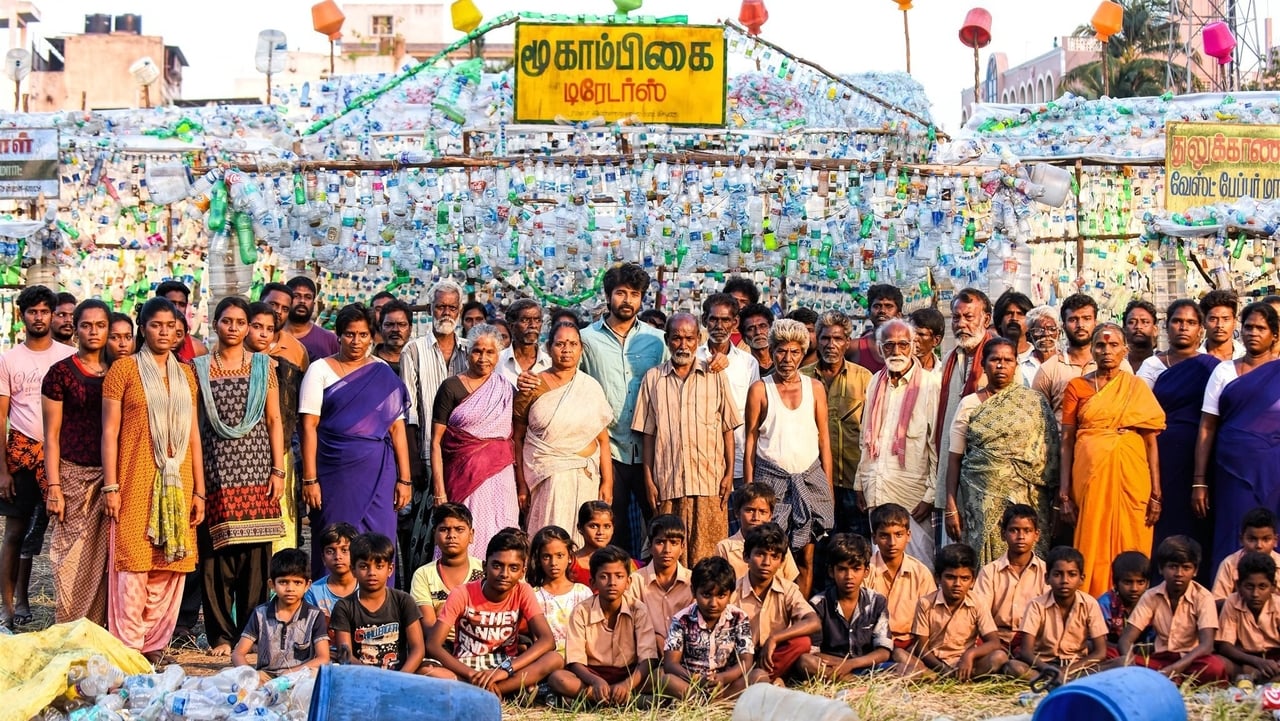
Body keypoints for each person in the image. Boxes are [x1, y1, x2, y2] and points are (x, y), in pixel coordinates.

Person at [101, 297, 204, 664]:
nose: (164, 332)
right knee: (133, 563)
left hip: (179, 482)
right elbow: (109, 433)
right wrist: (110, 486)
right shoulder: (124, 371)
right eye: (156, 325)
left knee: (168, 567)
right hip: (133, 479)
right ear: (142, 328)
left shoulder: (187, 375)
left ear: (180, 331)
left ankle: (155, 646)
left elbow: (194, 435)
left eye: (171, 326)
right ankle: (128, 648)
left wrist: (200, 492)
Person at [193, 297, 287, 656]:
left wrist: (278, 469)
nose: (233, 328)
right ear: (215, 324)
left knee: (256, 559)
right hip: (217, 472)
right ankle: (220, 636)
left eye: (240, 322)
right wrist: (199, 484)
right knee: (215, 558)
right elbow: (197, 426)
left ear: (249, 327)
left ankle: (249, 633)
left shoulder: (264, 366)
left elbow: (274, 420)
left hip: (258, 469)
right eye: (227, 321)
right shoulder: (198, 368)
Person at [300, 304, 412, 580]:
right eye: (350, 334)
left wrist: (405, 479)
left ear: (372, 337)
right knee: (333, 537)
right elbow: (308, 425)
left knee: (379, 541)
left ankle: (379, 613)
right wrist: (310, 479)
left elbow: (397, 429)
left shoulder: (382, 371)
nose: (356, 341)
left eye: (363, 335)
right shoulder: (320, 370)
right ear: (338, 335)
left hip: (378, 471)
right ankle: (328, 609)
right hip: (334, 471)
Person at [1059, 323, 1166, 597]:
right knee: (1091, 539)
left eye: (1114, 345)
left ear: (1125, 350)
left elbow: (1151, 442)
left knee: (1133, 540)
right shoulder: (1077, 387)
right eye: (1101, 345)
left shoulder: (1136, 387)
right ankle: (1091, 605)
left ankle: (1134, 609)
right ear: (1092, 350)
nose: (1107, 351)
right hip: (1090, 477)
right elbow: (1067, 441)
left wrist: (1156, 493)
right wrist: (1064, 494)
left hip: (1132, 478)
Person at [633, 313, 741, 565]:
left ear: (698, 340)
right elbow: (648, 434)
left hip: (709, 483)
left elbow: (728, 428)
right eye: (677, 338)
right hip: (668, 483)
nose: (683, 345)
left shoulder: (715, 375)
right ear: (667, 340)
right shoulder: (653, 378)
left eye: (689, 338)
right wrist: (648, 479)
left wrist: (727, 475)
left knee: (709, 558)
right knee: (670, 559)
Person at [580, 263, 668, 559]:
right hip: (609, 449)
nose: (628, 300)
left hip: (650, 449)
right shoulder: (586, 339)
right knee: (608, 527)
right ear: (608, 296)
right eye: (621, 293)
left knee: (657, 524)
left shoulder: (657, 339)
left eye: (634, 294)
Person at [944, 338, 1058, 563]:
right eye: (995, 359)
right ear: (984, 364)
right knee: (985, 562)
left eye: (1008, 360)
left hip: (1029, 499)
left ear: (1016, 364)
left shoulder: (1034, 402)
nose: (1001, 365)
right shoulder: (969, 404)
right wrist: (951, 506)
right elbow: (955, 458)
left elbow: (1050, 454)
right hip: (982, 498)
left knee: (1029, 558)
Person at [0, 285, 75, 629]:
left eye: (45, 311)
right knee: (14, 533)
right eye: (33, 312)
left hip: (60, 455)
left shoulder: (66, 356)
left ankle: (70, 610)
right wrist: (2, 470)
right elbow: (1, 416)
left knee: (63, 533)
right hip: (21, 454)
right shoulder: (9, 358)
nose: (39, 317)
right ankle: (10, 606)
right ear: (23, 317)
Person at [744, 318, 833, 597]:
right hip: (772, 483)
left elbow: (824, 440)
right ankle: (773, 613)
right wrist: (750, 491)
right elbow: (751, 439)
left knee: (807, 557)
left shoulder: (815, 388)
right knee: (773, 556)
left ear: (803, 352)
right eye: (781, 351)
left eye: (795, 352)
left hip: (809, 479)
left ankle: (800, 617)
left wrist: (827, 487)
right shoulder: (761, 389)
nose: (787, 358)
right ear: (771, 351)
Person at [426, 528, 564, 696]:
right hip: (467, 665)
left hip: (506, 665)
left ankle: (492, 690)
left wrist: (505, 670)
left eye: (513, 568)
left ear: (523, 571)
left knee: (554, 659)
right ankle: (502, 690)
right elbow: (433, 644)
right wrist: (471, 674)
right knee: (426, 670)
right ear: (485, 566)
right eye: (497, 566)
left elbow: (547, 640)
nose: (504, 574)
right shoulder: (462, 593)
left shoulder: (523, 591)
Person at [42, 299, 112, 625]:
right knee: (68, 556)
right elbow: (51, 435)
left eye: (100, 325)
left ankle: (98, 630)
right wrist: (53, 485)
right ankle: (69, 625)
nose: (93, 331)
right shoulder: (60, 374)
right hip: (71, 474)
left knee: (105, 558)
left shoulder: (119, 371)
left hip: (111, 477)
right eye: (86, 325)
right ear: (76, 328)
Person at [1194, 302, 1280, 570]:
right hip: (1231, 469)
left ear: (1274, 335)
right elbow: (1207, 426)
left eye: (1261, 328)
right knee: (1233, 529)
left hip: (1274, 469)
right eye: (1249, 327)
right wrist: (1199, 481)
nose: (1253, 332)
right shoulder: (1224, 371)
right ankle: (1226, 600)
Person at [514, 322, 613, 549]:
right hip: (548, 477)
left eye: (573, 344)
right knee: (550, 541)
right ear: (548, 348)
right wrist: (521, 483)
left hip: (586, 477)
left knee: (585, 541)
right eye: (560, 344)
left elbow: (603, 440)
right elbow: (518, 438)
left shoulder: (590, 387)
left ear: (581, 349)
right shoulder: (532, 384)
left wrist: (607, 481)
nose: (566, 350)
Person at [400, 280, 469, 578]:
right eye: (440, 306)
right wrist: (414, 459)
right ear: (430, 309)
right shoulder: (413, 350)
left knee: (459, 529)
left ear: (460, 310)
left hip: (464, 455)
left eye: (452, 307)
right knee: (424, 532)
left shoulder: (470, 350)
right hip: (428, 454)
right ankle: (419, 591)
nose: (446, 312)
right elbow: (408, 409)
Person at [432, 325, 518, 559]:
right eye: (477, 351)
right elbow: (436, 442)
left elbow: (514, 435)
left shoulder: (505, 389)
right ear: (468, 353)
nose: (483, 358)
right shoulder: (451, 387)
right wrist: (439, 490)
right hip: (462, 476)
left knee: (501, 529)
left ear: (498, 355)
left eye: (490, 352)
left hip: (500, 477)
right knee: (461, 531)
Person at [858, 319, 940, 562]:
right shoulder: (875, 381)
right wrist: (859, 483)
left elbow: (935, 443)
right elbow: (866, 436)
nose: (896, 351)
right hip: (877, 487)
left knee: (919, 565)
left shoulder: (930, 385)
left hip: (913, 495)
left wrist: (930, 495)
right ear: (880, 348)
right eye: (889, 345)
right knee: (880, 562)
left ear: (913, 346)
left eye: (903, 345)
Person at [1145, 300, 1216, 576]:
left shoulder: (1212, 367)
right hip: (1159, 453)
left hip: (1198, 454)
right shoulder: (1153, 365)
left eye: (1190, 322)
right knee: (1163, 518)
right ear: (1166, 326)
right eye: (1177, 321)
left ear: (1200, 329)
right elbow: (1139, 407)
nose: (1183, 327)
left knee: (1196, 517)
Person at [548, 545, 659, 706]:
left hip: (629, 675)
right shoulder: (581, 611)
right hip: (592, 675)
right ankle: (630, 701)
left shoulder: (638, 609)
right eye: (604, 576)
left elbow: (648, 659)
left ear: (628, 582)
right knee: (558, 678)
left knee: (664, 678)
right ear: (593, 583)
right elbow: (575, 661)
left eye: (619, 576)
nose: (612, 583)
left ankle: (598, 700)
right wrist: (596, 681)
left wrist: (627, 685)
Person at [1118, 535, 1227, 682]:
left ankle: (1163, 679)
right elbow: (1126, 639)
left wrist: (1174, 669)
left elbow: (1207, 645)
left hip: (1190, 661)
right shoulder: (1151, 596)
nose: (1179, 574)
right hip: (1159, 660)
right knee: (1115, 658)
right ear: (1161, 569)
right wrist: (1130, 665)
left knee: (1215, 667)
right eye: (1173, 567)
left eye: (1186, 567)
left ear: (1195, 571)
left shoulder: (1203, 597)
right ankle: (1158, 679)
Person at [802, 311, 871, 537]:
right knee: (818, 547)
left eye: (837, 339)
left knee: (854, 544)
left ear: (847, 342)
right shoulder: (802, 378)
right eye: (825, 338)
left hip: (853, 481)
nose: (831, 344)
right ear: (817, 340)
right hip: (814, 480)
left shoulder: (864, 378)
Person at [935, 289, 994, 548]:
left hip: (988, 478)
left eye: (969, 317)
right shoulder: (950, 358)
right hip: (953, 474)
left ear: (986, 319)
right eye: (956, 318)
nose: (962, 324)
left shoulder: (999, 359)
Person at [659, 556, 765, 700]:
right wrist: (696, 680)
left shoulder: (739, 618)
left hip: (726, 686)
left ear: (730, 594)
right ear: (693, 591)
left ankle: (711, 702)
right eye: (706, 595)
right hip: (692, 685)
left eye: (721, 595)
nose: (713, 603)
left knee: (759, 676)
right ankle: (710, 702)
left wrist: (722, 678)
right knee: (666, 681)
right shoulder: (682, 619)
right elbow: (670, 664)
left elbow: (746, 661)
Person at [794, 533, 893, 681]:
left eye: (856, 569)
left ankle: (854, 680)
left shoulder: (876, 601)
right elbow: (813, 652)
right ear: (831, 572)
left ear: (866, 571)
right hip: (833, 667)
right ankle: (854, 682)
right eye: (842, 569)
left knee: (908, 669)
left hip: (867, 666)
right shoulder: (819, 604)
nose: (849, 576)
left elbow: (883, 651)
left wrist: (852, 664)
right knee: (805, 662)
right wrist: (842, 665)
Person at [256, 284, 309, 556]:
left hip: (286, 447)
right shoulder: (236, 349)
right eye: (272, 304)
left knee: (284, 522)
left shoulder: (296, 351)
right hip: (244, 454)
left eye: (284, 308)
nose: (277, 312)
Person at [700, 294, 760, 532]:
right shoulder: (692, 358)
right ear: (704, 320)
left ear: (735, 323)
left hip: (738, 462)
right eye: (713, 320)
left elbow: (754, 416)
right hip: (703, 462)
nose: (719, 326)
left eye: (726, 320)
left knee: (741, 532)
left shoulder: (747, 363)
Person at [731, 523, 820, 681]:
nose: (767, 562)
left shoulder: (787, 589)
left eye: (774, 557)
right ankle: (763, 682)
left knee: (802, 643)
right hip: (741, 660)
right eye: (760, 554)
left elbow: (813, 622)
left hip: (774, 657)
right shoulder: (733, 592)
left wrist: (775, 638)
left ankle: (766, 681)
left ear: (781, 561)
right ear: (746, 556)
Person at [905, 543, 1007, 680]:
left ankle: (960, 677)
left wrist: (969, 655)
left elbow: (994, 642)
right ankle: (940, 678)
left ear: (973, 581)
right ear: (938, 578)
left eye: (965, 578)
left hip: (966, 665)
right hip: (933, 664)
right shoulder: (925, 603)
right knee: (902, 656)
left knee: (999, 657)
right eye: (950, 577)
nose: (957, 584)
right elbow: (922, 649)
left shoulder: (977, 602)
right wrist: (944, 670)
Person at [971, 505, 1048, 676]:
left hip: (1032, 643)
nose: (1021, 536)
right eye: (1014, 530)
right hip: (997, 640)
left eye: (1027, 530)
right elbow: (979, 614)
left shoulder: (1046, 573)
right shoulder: (990, 572)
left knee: (1020, 665)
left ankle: (1030, 673)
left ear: (1036, 534)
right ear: (1003, 534)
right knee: (995, 658)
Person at [330, 533, 424, 672]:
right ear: (353, 570)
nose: (371, 572)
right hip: (360, 677)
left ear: (390, 569)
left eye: (379, 566)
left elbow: (418, 649)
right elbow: (346, 655)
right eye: (364, 566)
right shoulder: (344, 606)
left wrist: (401, 678)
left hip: (400, 677)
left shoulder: (403, 601)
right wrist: (376, 678)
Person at [231, 548, 330, 681]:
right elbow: (238, 654)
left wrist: (291, 673)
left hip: (300, 677)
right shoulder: (261, 613)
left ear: (307, 585)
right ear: (272, 584)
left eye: (297, 582)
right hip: (266, 676)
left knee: (315, 677)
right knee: (228, 676)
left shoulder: (314, 615)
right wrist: (251, 677)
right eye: (283, 582)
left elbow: (323, 658)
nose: (290, 588)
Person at [1034, 293, 1132, 423]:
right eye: (1073, 319)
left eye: (1086, 318)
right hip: (1063, 440)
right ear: (1063, 326)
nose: (1080, 325)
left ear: (1096, 323)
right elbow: (1037, 416)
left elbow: (1131, 409)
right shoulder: (1049, 369)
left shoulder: (1120, 365)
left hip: (1109, 440)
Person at [1016, 545, 1107, 681]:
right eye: (1057, 574)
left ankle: (1061, 681)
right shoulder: (1036, 605)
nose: (1065, 581)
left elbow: (1100, 652)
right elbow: (1026, 652)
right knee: (1013, 667)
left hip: (1077, 666)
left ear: (1081, 579)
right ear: (1047, 578)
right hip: (1044, 666)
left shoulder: (1090, 604)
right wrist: (1050, 670)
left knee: (1122, 663)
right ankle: (1057, 680)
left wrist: (1066, 670)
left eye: (1072, 574)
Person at [410, 502, 483, 671]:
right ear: (434, 536)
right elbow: (429, 627)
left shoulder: (485, 570)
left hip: (484, 644)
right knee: (427, 671)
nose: (451, 535)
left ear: (471, 535)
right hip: (443, 648)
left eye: (459, 529)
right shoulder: (423, 574)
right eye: (444, 530)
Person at [868, 503, 937, 664]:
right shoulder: (867, 571)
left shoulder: (921, 573)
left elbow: (931, 618)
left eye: (898, 534)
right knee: (897, 656)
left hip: (914, 643)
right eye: (884, 536)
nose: (892, 542)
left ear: (908, 535)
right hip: (876, 643)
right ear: (874, 538)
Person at [624, 514, 693, 646]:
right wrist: (653, 638)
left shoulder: (692, 581)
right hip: (646, 654)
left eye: (674, 543)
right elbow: (629, 625)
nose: (667, 550)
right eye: (660, 542)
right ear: (649, 546)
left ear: (682, 547)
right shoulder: (635, 581)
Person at [527, 525, 593, 657]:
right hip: (545, 661)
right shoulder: (533, 595)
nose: (553, 563)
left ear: (569, 556)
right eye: (546, 557)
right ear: (539, 560)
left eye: (559, 555)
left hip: (580, 658)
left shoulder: (583, 593)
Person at [1214, 551, 1280, 681]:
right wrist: (1257, 662)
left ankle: (1255, 678)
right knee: (1218, 664)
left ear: (1272, 587)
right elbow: (1225, 646)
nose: (1255, 594)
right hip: (1245, 659)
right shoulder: (1232, 601)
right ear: (1238, 586)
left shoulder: (1278, 604)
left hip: (1275, 661)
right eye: (1249, 586)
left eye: (1263, 587)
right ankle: (1258, 677)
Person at [715, 483, 801, 581]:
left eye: (762, 512)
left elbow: (791, 581)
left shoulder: (778, 545)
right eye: (750, 511)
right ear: (737, 513)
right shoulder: (725, 548)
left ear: (770, 515)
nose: (756, 518)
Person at [1211, 508, 1280, 601]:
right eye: (1252, 539)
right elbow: (1217, 600)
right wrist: (1244, 603)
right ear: (1241, 540)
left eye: (1266, 539)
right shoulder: (1230, 564)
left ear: (1275, 541)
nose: (1259, 546)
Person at [303, 522, 358, 633]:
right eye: (330, 551)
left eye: (344, 550)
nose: (337, 557)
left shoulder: (368, 588)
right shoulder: (313, 592)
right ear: (323, 558)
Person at [1098, 551, 1153, 655]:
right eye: (1127, 582)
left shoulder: (1153, 602)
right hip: (1114, 653)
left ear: (1148, 583)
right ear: (1115, 583)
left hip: (1144, 654)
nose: (1134, 588)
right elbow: (1098, 641)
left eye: (1140, 582)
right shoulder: (1104, 604)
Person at [848, 284, 902, 374]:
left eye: (888, 306)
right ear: (869, 313)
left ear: (899, 315)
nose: (882, 311)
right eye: (877, 306)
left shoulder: (908, 348)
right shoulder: (854, 347)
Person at [285, 276, 339, 363]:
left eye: (308, 297)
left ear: (313, 304)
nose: (302, 301)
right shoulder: (273, 336)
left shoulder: (330, 340)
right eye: (296, 296)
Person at [498, 299, 550, 385]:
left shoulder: (549, 362)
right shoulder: (497, 362)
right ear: (511, 326)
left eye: (537, 320)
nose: (533, 325)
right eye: (525, 320)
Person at [156, 280, 208, 361]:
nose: (176, 308)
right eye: (172, 303)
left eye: (182, 304)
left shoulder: (197, 348)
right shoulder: (141, 344)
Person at [993, 290, 1034, 384]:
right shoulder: (990, 357)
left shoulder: (1039, 358)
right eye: (1009, 313)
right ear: (999, 322)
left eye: (1020, 314)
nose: (1014, 318)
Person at [1200, 289, 1244, 361]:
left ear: (1234, 322)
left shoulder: (1248, 358)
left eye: (1226, 319)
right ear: (1204, 322)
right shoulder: (1192, 361)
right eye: (1213, 319)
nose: (1219, 325)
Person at [1023, 306, 1061, 388]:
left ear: (1059, 333)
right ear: (1029, 336)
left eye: (1052, 329)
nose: (1046, 334)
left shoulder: (1068, 363)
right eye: (1038, 330)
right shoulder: (1021, 367)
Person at [373, 300, 412, 372]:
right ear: (380, 328)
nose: (395, 329)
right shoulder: (368, 362)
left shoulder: (420, 361)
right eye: (389, 325)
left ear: (410, 329)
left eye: (401, 324)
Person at [738, 303, 775, 377]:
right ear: (744, 338)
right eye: (750, 329)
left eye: (763, 326)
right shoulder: (741, 368)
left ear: (772, 329)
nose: (758, 332)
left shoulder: (784, 362)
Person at [722, 276, 759, 348]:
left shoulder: (756, 334)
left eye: (743, 301)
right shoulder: (710, 333)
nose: (738, 305)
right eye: (734, 300)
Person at [1124, 300, 1160, 371]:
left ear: (1155, 330)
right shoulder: (1117, 364)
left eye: (1145, 322)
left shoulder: (1163, 363)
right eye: (1132, 322)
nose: (1138, 326)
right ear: (1124, 329)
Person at [908, 307, 944, 375]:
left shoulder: (943, 374)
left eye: (921, 334)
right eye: (911, 332)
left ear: (936, 341)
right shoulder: (898, 370)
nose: (914, 338)